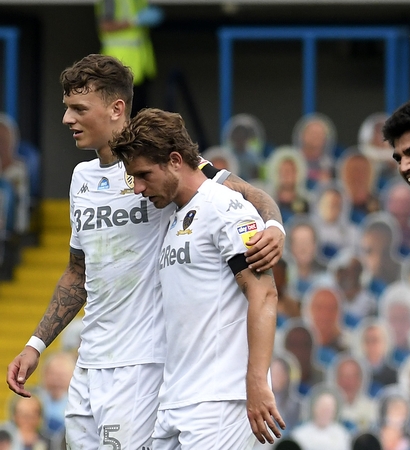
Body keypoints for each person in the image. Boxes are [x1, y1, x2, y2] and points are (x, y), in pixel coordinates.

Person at [6, 54, 284, 449]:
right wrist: (35, 345)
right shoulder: (80, 178)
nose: (67, 119)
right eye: (67, 108)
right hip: (90, 360)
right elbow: (78, 272)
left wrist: (274, 225)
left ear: (116, 108)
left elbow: (247, 196)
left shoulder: (158, 166)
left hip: (144, 364)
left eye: (78, 108)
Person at [109, 108, 284, 446]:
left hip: (221, 400)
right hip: (175, 399)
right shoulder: (176, 217)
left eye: (144, 175)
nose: (138, 188)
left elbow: (264, 295)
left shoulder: (225, 208)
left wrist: (257, 383)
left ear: (175, 160)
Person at [96, 0, 162, 115]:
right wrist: (135, 21)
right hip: (118, 65)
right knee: (121, 114)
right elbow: (105, 25)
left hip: (141, 66)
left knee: (139, 114)